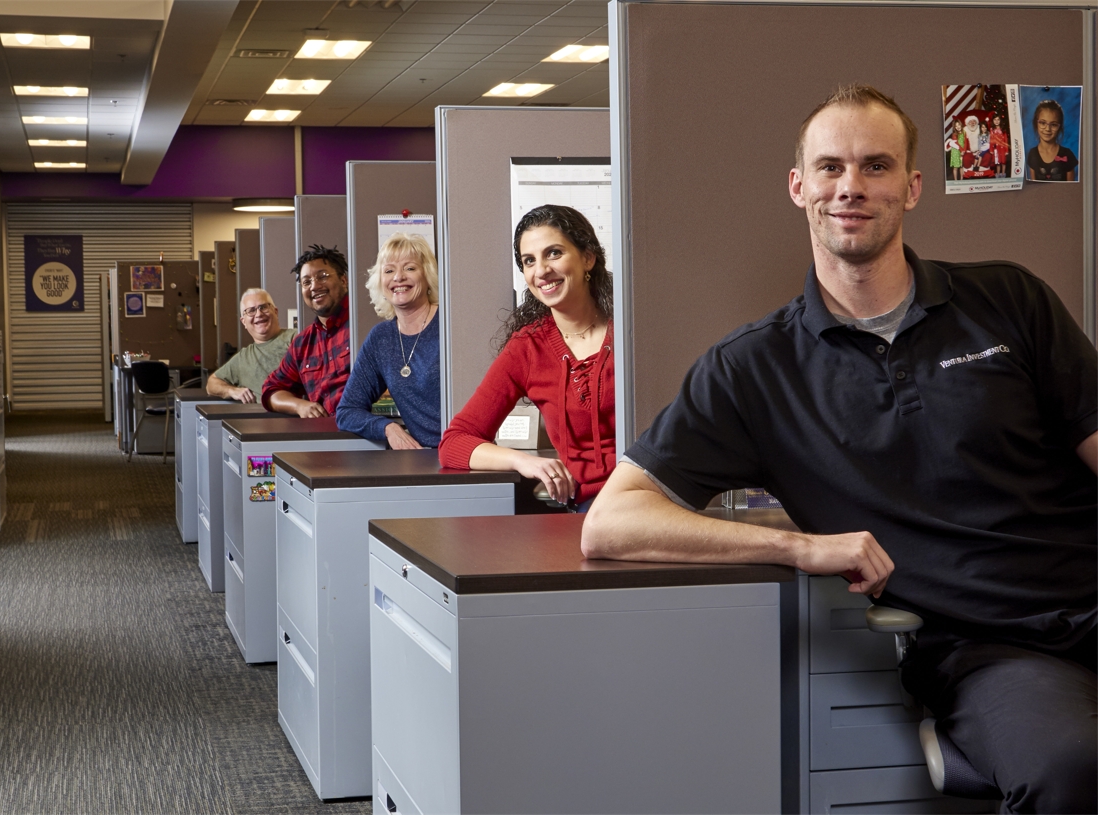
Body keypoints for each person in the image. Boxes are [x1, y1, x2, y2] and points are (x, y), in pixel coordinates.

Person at [582, 84, 1096, 812]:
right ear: (799, 186)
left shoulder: (1009, 299)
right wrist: (802, 548)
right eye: (829, 168)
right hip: (993, 651)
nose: (850, 186)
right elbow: (612, 524)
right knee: (1073, 768)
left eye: (876, 166)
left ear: (912, 186)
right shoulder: (754, 368)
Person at [439, 204, 616, 511]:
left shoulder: (632, 331)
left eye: (554, 253)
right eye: (529, 261)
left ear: (588, 258)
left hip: (652, 497)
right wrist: (523, 462)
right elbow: (454, 443)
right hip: (588, 511)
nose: (541, 271)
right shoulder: (527, 348)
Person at [335, 233, 441, 448]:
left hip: (467, 455)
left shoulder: (450, 326)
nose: (398, 277)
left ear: (427, 276)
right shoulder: (381, 338)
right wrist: (388, 428)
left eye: (410, 268)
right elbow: (347, 411)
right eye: (389, 270)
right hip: (422, 458)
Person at [261, 244, 351, 418]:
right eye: (306, 282)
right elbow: (271, 390)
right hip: (323, 436)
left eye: (322, 277)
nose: (314, 286)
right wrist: (300, 406)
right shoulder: (303, 343)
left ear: (343, 280)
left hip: (366, 436)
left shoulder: (363, 327)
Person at [205, 288, 297, 403]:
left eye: (263, 307)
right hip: (261, 419)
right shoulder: (242, 358)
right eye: (251, 311)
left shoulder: (296, 337)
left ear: (276, 312)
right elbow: (211, 384)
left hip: (300, 415)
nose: (258, 314)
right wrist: (232, 391)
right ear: (244, 322)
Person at [1026, 99, 1078, 182]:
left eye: (1053, 124)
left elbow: (1071, 189)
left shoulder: (1067, 154)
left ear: (1059, 127)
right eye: (1043, 123)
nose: (1047, 129)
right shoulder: (1032, 154)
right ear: (1036, 123)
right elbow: (1033, 186)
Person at [988, 112, 1008, 177]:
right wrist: (991, 149)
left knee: (1003, 162)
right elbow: (991, 140)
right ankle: (998, 174)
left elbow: (1006, 140)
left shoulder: (1003, 130)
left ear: (1000, 120)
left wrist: (1006, 150)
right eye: (995, 120)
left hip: (1002, 149)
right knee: (998, 162)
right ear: (993, 121)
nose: (996, 121)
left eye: (998, 119)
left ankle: (1003, 174)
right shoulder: (992, 130)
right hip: (996, 149)